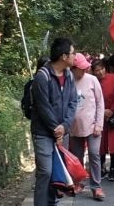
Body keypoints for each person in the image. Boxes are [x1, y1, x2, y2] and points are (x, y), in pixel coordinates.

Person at [31, 38, 78, 206]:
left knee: (55, 172)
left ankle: (51, 202)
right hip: (43, 132)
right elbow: (43, 107)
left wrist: (64, 127)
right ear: (63, 56)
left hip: (61, 132)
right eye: (72, 53)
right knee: (45, 171)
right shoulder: (42, 77)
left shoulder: (69, 75)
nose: (75, 56)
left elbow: (73, 102)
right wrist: (56, 129)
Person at [69, 53, 105, 200]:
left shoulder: (92, 80)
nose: (84, 70)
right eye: (81, 68)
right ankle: (79, 182)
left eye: (85, 67)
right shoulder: (67, 81)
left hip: (92, 126)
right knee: (77, 157)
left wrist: (99, 124)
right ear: (73, 68)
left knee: (94, 154)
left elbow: (100, 103)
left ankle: (96, 187)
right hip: (74, 127)